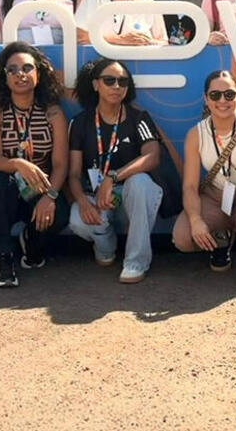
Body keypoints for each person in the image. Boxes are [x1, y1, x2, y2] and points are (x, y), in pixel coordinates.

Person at [0, 42, 71, 288]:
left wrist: (50, 196)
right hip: (8, 186)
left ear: (38, 74)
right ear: (4, 77)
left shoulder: (53, 113)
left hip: (40, 188)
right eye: (12, 69)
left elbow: (61, 164)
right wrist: (20, 164)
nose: (20, 74)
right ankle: (4, 258)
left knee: (60, 214)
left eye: (27, 68)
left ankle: (31, 239)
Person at [173, 70, 236, 288]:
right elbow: (190, 186)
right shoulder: (196, 134)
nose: (222, 101)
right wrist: (195, 220)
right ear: (206, 98)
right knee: (182, 238)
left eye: (229, 95)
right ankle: (221, 237)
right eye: (215, 95)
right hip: (215, 197)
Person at [66, 59, 164, 283]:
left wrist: (113, 177)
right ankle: (105, 247)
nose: (116, 86)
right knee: (77, 219)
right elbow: (73, 174)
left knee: (140, 182)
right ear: (95, 85)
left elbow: (152, 156)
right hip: (97, 199)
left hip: (131, 199)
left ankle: (136, 262)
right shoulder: (80, 123)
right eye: (109, 80)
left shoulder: (138, 118)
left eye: (122, 81)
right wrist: (82, 201)